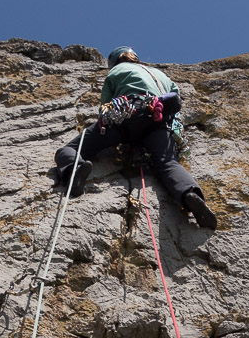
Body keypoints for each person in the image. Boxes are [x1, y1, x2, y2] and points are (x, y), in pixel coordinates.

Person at [54, 47, 217, 229]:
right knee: (168, 163)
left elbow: (105, 109)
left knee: (69, 150)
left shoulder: (116, 71)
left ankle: (74, 169)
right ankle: (190, 194)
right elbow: (175, 95)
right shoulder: (159, 74)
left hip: (125, 114)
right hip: (159, 119)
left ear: (114, 61)